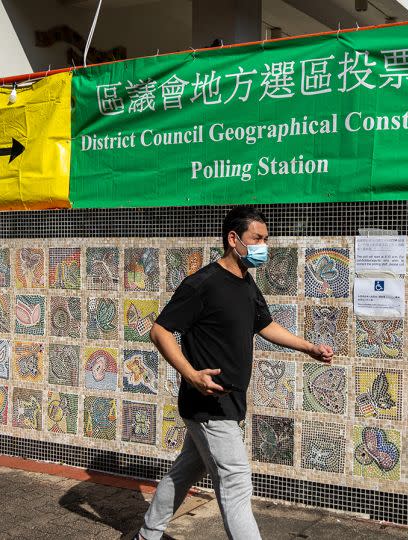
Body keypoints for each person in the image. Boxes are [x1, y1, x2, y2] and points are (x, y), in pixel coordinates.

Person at [132, 206, 334, 540]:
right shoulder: (202, 284)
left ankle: (147, 535)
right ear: (233, 238)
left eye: (266, 240)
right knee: (237, 484)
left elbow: (265, 325)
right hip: (210, 403)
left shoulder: (247, 285)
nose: (263, 246)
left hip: (230, 401)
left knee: (185, 470)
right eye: (257, 238)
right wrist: (191, 374)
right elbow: (160, 331)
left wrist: (307, 347)